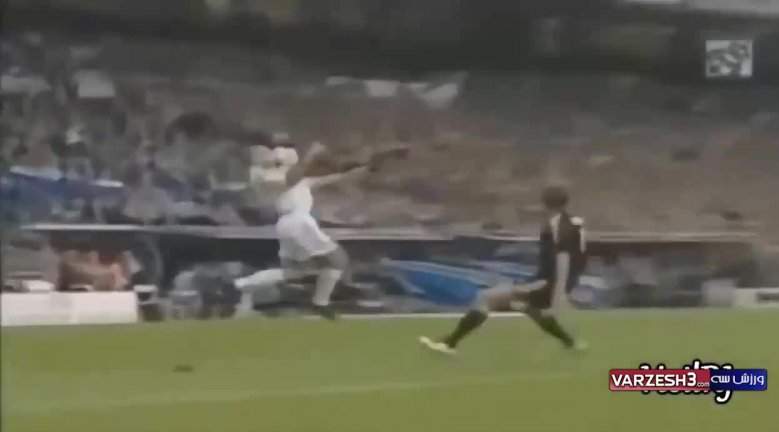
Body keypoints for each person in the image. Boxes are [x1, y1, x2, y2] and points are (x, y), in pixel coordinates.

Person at [216, 138, 403, 319]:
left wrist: (372, 164)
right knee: (337, 259)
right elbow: (293, 176)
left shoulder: (295, 179)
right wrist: (311, 155)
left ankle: (238, 285)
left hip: (290, 224)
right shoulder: (264, 176)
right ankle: (320, 302)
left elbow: (339, 176)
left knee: (293, 271)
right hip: (298, 222)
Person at [419, 185, 588, 354]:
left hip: (547, 283)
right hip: (550, 281)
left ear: (544, 204)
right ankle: (571, 344)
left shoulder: (556, 227)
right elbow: (578, 255)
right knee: (531, 309)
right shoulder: (573, 223)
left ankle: (450, 343)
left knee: (486, 298)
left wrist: (560, 292)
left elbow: (563, 258)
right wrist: (568, 284)